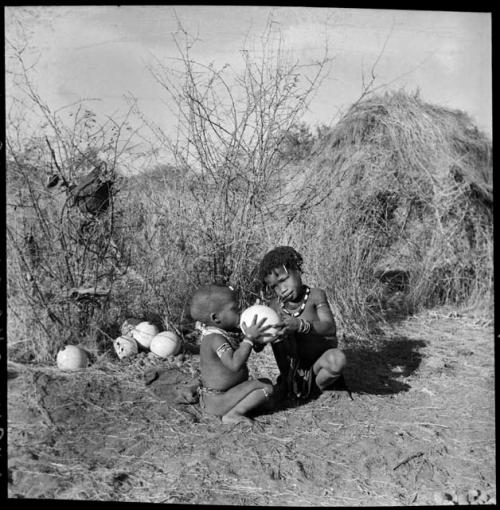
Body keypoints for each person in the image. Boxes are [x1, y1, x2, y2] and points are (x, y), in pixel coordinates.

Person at [257, 246, 348, 401]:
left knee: (337, 359)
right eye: (274, 287)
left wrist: (300, 325)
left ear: (297, 270)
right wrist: (256, 334)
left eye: (283, 280)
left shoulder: (315, 296)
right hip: (293, 373)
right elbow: (259, 347)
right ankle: (293, 385)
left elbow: (330, 328)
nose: (282, 289)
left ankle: (316, 388)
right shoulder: (274, 307)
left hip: (318, 367)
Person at [189, 284, 275, 425]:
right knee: (266, 387)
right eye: (234, 309)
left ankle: (238, 407)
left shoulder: (224, 332)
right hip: (218, 399)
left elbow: (253, 348)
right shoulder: (215, 339)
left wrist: (265, 337)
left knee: (267, 388)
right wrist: (249, 339)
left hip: (224, 395)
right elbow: (234, 364)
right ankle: (232, 415)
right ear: (216, 317)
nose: (240, 311)